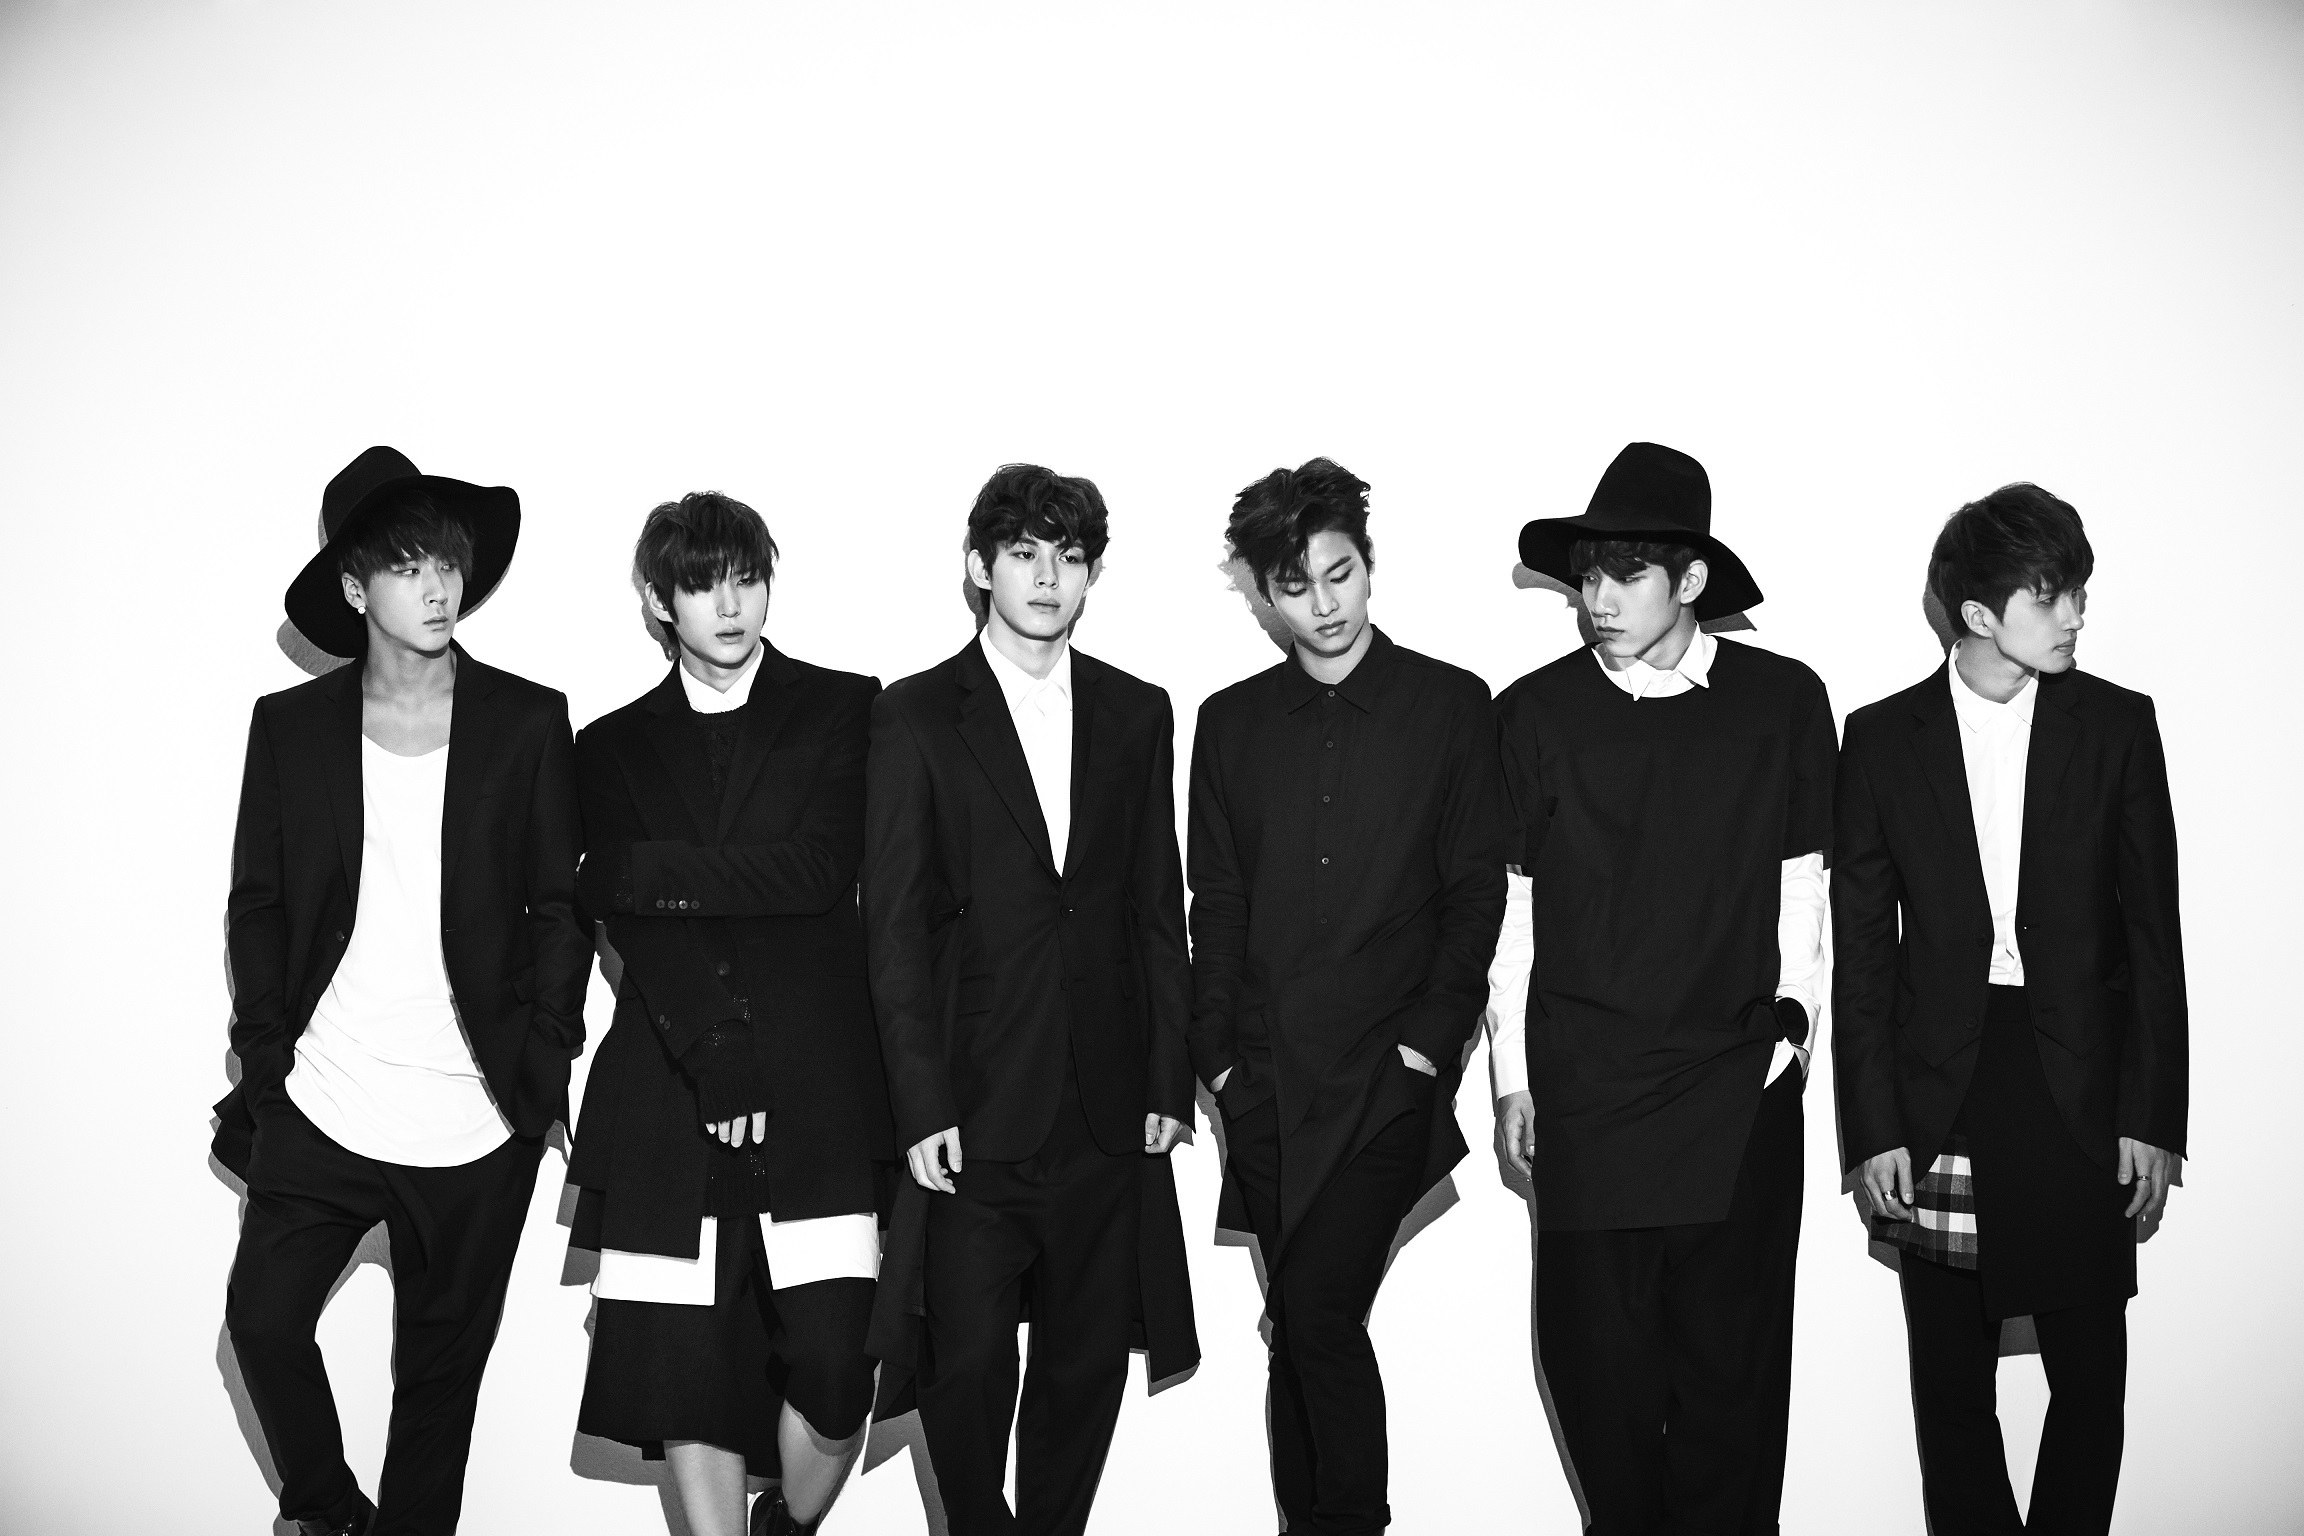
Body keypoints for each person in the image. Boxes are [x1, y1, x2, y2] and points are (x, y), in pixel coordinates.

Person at [217, 446, 588, 1536]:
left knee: (438, 1392)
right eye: (408, 566)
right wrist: (268, 1060)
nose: (437, 589)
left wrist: (547, 1051)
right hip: (326, 1097)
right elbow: (258, 905)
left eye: (449, 565)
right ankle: (332, 1514)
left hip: (475, 1118)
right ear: (354, 587)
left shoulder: (527, 722)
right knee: (263, 1324)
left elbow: (560, 906)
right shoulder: (290, 729)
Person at [1488, 441, 1834, 1535]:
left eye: (1625, 574)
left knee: (1735, 1389)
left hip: (1737, 1088)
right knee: (1598, 1376)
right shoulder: (1533, 713)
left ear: (1690, 579)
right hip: (1589, 1093)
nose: (1596, 598)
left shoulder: (1782, 700)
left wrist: (1791, 1039)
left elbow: (1804, 881)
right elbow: (1513, 909)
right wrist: (1512, 1077)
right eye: (1587, 574)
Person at [1833, 483, 2186, 1536]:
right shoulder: (1882, 738)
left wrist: (2152, 1114)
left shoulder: (2117, 725)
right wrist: (1873, 1126)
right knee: (1951, 1389)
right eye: (2050, 593)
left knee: (2090, 1374)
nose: (2076, 612)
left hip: (2078, 1085)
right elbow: (1864, 958)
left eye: (2078, 589)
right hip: (1941, 1087)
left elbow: (2154, 937)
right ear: (1980, 613)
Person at [859, 464, 1198, 1536]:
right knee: (962, 1369)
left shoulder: (1137, 712)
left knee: (1084, 1369)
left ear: (1091, 574)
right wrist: (920, 1103)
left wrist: (1168, 1078)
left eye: (1069, 556)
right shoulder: (915, 715)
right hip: (972, 1104)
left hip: (1103, 1105)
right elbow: (893, 929)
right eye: (1024, 554)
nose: (1048, 577)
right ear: (980, 568)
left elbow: (1156, 908)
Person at [1189, 458, 1510, 1535]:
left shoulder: (1452, 706)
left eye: (1341, 574)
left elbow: (1474, 897)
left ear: (1368, 565)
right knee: (1303, 1326)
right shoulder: (1231, 725)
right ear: (1263, 594)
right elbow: (1216, 905)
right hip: (1264, 1081)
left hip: (1386, 1078)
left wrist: (1426, 1048)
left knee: (1317, 1313)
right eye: (1296, 586)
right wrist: (1218, 1060)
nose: (1324, 605)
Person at [564, 493, 891, 1536]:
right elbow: (639, 929)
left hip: (822, 1087)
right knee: (683, 1376)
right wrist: (715, 1046)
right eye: (703, 585)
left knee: (839, 1370)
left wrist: (646, 871)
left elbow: (818, 871)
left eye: (747, 578)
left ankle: (784, 1525)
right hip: (671, 1079)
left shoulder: (844, 707)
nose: (731, 604)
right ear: (660, 602)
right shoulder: (611, 747)